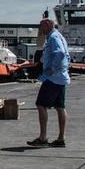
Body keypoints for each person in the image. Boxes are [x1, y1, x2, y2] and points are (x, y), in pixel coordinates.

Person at [28, 17, 70, 147]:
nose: (40, 29)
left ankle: (43, 137)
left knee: (41, 105)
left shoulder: (53, 37)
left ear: (47, 24)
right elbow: (66, 55)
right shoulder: (58, 36)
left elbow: (61, 53)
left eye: (41, 26)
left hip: (53, 78)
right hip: (61, 78)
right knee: (60, 107)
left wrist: (53, 67)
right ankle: (61, 138)